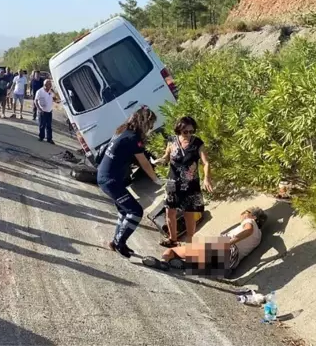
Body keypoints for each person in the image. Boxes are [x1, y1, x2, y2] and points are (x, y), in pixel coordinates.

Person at [97, 107, 162, 258]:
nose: (150, 129)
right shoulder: (132, 137)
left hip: (106, 177)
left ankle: (116, 241)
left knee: (124, 211)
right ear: (143, 122)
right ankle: (120, 243)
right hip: (110, 180)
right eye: (150, 125)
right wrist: (156, 179)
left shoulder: (122, 131)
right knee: (136, 211)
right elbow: (144, 163)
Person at [154, 116, 213, 247]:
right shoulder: (172, 141)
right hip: (172, 182)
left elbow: (206, 162)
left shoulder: (198, 143)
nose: (189, 134)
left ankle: (190, 242)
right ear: (179, 130)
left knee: (189, 215)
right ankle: (172, 239)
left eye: (191, 131)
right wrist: (160, 161)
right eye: (185, 131)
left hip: (190, 185)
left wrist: (206, 178)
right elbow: (166, 157)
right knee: (170, 211)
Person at [155, 208, 266, 273]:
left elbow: (248, 230)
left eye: (246, 211)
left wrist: (228, 242)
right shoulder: (259, 236)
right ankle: (191, 265)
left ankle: (163, 263)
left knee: (172, 251)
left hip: (224, 249)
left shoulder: (250, 222)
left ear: (254, 217)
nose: (242, 214)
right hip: (231, 264)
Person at [34, 79, 55, 144]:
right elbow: (36, 101)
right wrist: (39, 109)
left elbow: (55, 98)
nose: (50, 85)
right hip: (42, 111)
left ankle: (49, 139)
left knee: (49, 126)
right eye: (49, 84)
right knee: (42, 125)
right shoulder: (40, 91)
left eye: (50, 84)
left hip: (49, 111)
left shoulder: (51, 92)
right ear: (45, 85)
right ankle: (41, 137)